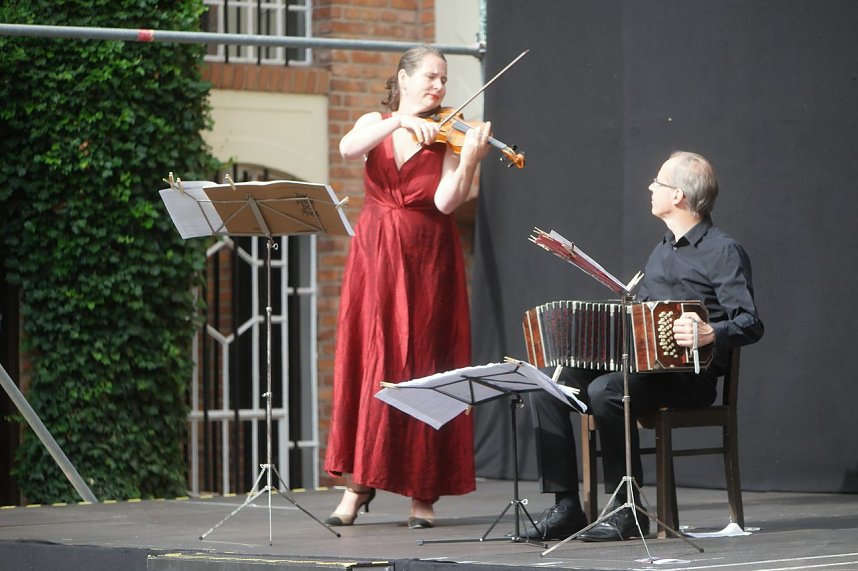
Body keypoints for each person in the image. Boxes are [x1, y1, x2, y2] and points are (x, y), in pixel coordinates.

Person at [524, 151, 764, 542]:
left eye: (658, 183)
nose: (650, 188)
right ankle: (567, 505)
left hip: (690, 377)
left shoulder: (723, 251)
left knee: (606, 390)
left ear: (679, 197)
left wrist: (710, 333)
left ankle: (627, 511)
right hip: (645, 366)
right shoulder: (661, 251)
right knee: (551, 383)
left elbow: (750, 323)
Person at [323, 46, 492, 529]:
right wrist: (399, 120)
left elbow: (444, 202)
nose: (439, 88)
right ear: (404, 78)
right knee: (372, 360)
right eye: (431, 78)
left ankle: (423, 492)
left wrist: (469, 163)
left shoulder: (445, 136)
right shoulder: (374, 121)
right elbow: (348, 149)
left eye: (444, 80)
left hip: (427, 258)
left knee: (424, 364)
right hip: (375, 253)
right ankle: (359, 484)